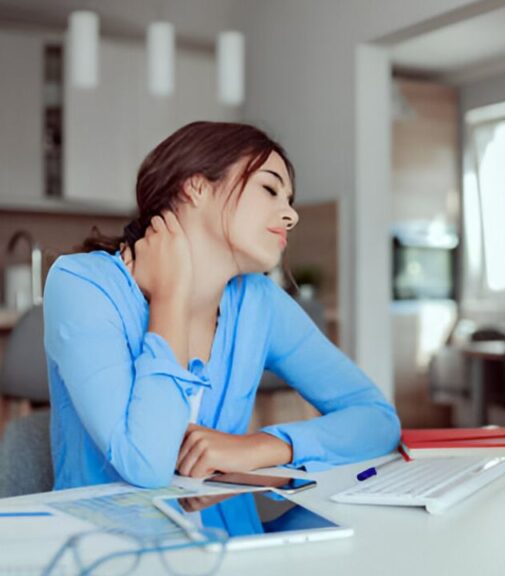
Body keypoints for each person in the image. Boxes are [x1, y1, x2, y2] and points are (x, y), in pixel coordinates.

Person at [42, 121, 401, 489]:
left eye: (289, 201)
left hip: (229, 537)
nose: (291, 215)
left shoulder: (259, 301)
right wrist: (171, 295)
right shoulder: (83, 284)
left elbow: (378, 420)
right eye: (269, 188)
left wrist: (261, 447)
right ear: (197, 187)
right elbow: (145, 465)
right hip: (107, 540)